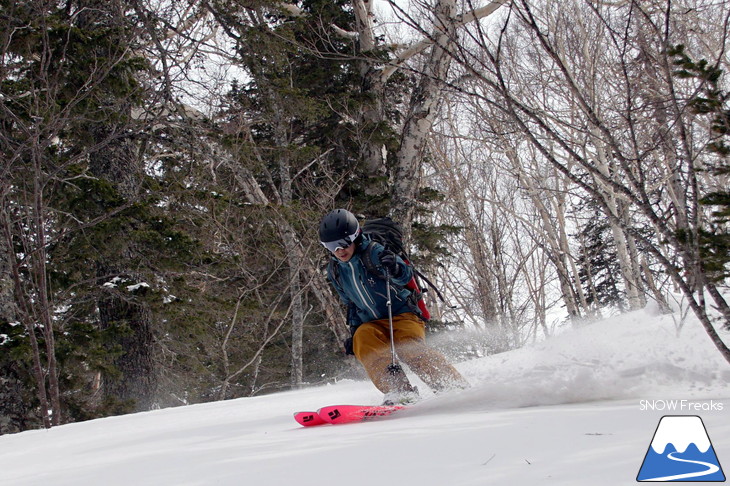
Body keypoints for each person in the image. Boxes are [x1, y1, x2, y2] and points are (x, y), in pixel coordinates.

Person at [319, 208, 467, 404]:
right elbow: (351, 304)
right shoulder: (336, 270)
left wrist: (395, 267)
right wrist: (354, 330)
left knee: (407, 347)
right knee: (363, 341)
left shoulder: (375, 252)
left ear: (355, 237)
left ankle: (451, 385)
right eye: (331, 246)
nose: (339, 250)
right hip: (370, 322)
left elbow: (405, 275)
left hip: (402, 314)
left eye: (343, 243)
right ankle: (399, 391)